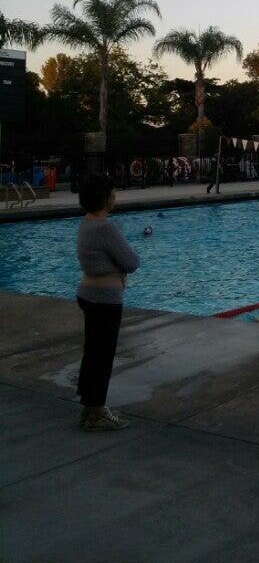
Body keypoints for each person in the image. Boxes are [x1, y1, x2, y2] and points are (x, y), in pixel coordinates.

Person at [76, 175, 140, 431]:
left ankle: (89, 405)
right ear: (104, 198)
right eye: (112, 192)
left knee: (92, 352)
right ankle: (97, 412)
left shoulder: (85, 223)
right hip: (105, 299)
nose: (115, 196)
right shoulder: (105, 228)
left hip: (88, 293)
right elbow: (131, 262)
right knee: (103, 355)